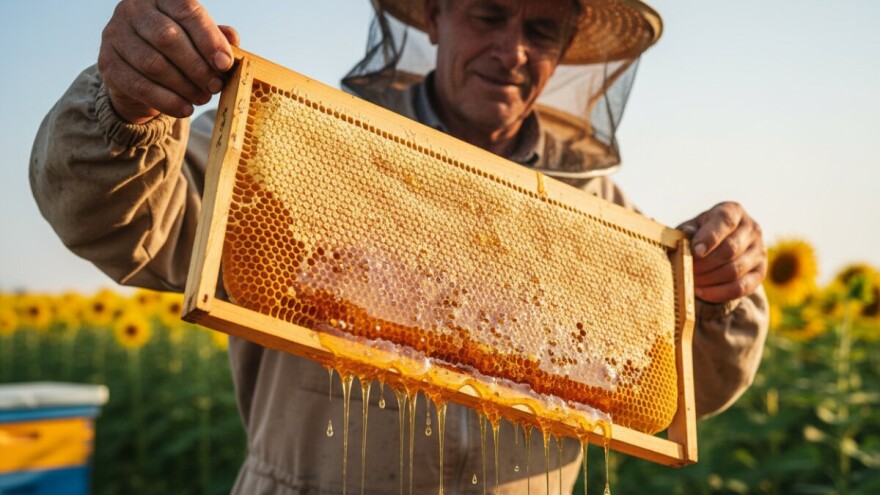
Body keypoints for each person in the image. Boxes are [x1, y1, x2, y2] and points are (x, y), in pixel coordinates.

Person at [30, 0, 769, 493]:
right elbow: (126, 219)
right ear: (438, 18)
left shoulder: (607, 226)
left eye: (541, 29)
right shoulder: (301, 150)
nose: (511, 49)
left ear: (566, 51)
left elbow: (685, 383)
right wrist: (126, 103)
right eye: (487, 12)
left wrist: (717, 289)